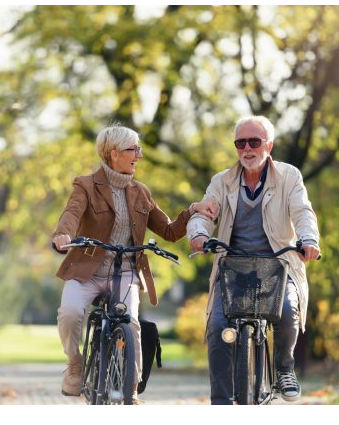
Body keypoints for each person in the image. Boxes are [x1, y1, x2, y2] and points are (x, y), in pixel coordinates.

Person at [52, 125, 218, 403]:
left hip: (126, 271)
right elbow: (71, 213)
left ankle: (131, 386)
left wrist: (192, 210)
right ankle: (74, 363)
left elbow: (167, 230)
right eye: (134, 149)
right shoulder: (85, 185)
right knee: (69, 313)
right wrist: (62, 235)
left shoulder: (141, 192)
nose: (139, 155)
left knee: (130, 323)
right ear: (114, 154)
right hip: (86, 271)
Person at [187, 115, 320, 404]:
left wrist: (309, 240)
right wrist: (198, 234)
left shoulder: (289, 176)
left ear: (268, 145)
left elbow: (302, 211)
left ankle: (284, 368)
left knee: (287, 311)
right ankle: (222, 403)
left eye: (254, 142)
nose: (247, 148)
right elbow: (204, 214)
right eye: (240, 142)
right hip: (233, 269)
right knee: (219, 328)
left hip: (278, 267)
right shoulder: (221, 181)